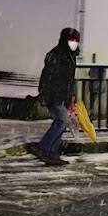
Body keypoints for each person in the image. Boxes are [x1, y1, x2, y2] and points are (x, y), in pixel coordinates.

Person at [28, 28, 80, 167]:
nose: (74, 43)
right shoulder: (56, 55)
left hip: (64, 95)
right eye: (72, 40)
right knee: (62, 121)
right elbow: (47, 76)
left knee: (62, 122)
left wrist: (71, 96)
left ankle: (53, 154)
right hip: (54, 95)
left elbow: (70, 79)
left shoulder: (70, 56)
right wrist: (45, 93)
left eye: (76, 40)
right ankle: (43, 148)